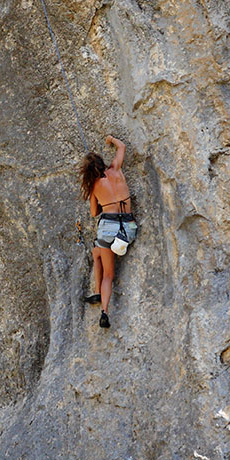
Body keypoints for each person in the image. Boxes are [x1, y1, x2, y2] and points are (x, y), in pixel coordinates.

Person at [80, 135, 137, 328]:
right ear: (103, 163)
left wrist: (93, 194)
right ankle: (97, 292)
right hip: (127, 227)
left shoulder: (94, 185)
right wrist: (110, 139)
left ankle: (105, 311)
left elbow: (95, 212)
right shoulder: (117, 170)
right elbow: (122, 146)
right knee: (96, 253)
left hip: (108, 228)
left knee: (108, 275)